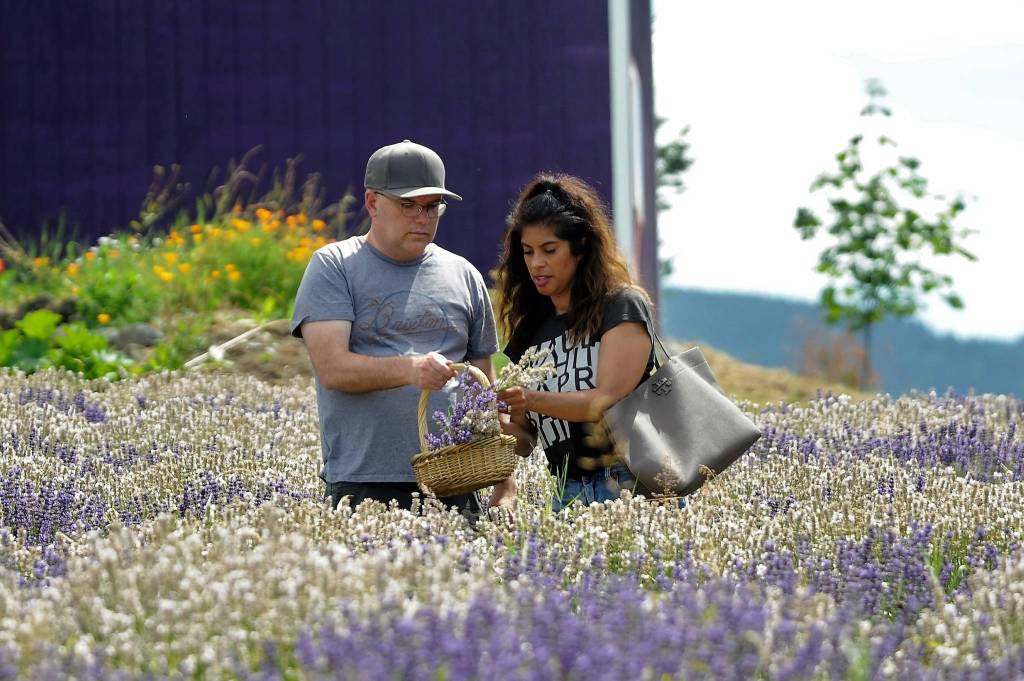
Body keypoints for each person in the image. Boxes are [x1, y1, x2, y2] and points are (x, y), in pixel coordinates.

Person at [291, 139, 529, 517]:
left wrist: (505, 485)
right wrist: (410, 369)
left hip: (456, 479)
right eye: (407, 206)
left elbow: (483, 385)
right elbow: (332, 369)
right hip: (364, 483)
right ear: (372, 203)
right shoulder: (335, 266)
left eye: (432, 207)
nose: (422, 218)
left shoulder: (463, 274)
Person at [495, 173, 660, 511]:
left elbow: (605, 402)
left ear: (580, 247)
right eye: (528, 252)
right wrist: (487, 424)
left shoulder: (621, 306)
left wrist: (527, 398)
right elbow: (526, 439)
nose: (537, 263)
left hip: (629, 485)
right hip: (566, 493)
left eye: (549, 250)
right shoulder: (530, 332)